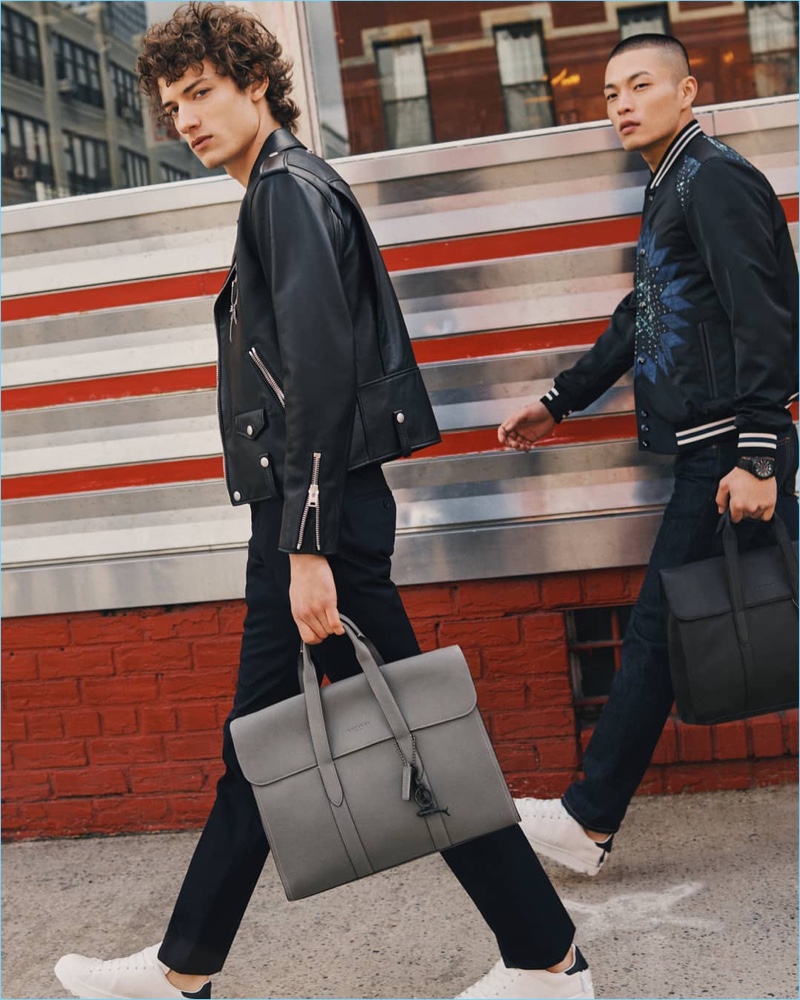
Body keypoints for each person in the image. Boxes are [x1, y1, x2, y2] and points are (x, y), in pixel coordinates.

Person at [55, 5, 594, 999]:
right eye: (172, 106)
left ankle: (546, 959)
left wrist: (305, 542)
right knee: (273, 743)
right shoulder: (285, 186)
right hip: (314, 512)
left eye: (203, 93)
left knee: (393, 737)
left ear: (256, 82)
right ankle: (186, 968)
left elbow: (317, 375)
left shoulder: (284, 193)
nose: (186, 118)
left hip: (318, 517)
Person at [500, 33, 798, 877]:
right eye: (608, 92)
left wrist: (761, 453)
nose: (622, 102)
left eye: (640, 84)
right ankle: (587, 821)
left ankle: (587, 819)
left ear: (687, 91)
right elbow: (647, 311)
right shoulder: (672, 184)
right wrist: (560, 401)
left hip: (726, 454)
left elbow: (766, 315)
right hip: (715, 448)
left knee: (659, 631)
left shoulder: (713, 179)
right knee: (672, 630)